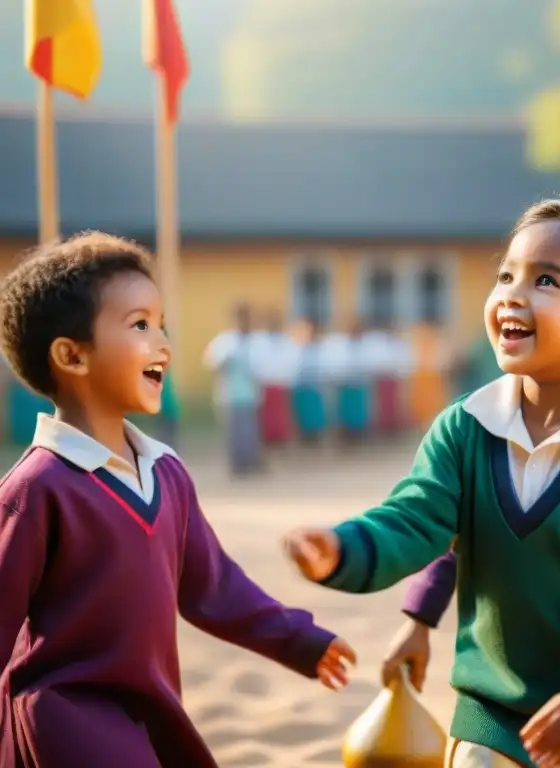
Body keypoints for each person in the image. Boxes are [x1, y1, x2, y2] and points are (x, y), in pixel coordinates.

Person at [284, 195, 560, 768]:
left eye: (545, 281)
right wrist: (347, 551)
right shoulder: (463, 430)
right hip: (494, 709)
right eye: (506, 275)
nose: (511, 295)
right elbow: (418, 519)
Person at [0, 232, 354, 768]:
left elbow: (215, 588)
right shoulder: (36, 488)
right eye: (140, 324)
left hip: (151, 705)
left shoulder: (166, 472)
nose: (163, 341)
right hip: (64, 717)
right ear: (72, 355)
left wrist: (298, 640)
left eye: (161, 323)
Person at [202, 304, 263, 476]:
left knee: (250, 432)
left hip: (250, 395)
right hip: (230, 395)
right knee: (234, 433)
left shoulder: (254, 341)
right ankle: (237, 466)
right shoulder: (225, 341)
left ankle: (252, 462)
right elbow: (211, 364)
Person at [253, 308, 299, 448]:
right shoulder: (258, 340)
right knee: (264, 421)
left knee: (282, 419)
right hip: (264, 385)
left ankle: (282, 445)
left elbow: (291, 362)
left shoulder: (285, 340)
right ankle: (265, 445)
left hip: (281, 384)